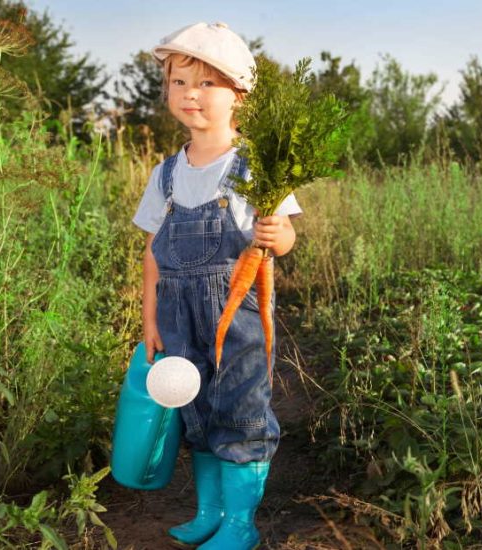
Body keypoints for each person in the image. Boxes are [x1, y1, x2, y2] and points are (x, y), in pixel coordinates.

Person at [131, 21, 301, 550]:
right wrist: (151, 320)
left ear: (239, 94)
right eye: (178, 83)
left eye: (205, 83)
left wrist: (278, 235)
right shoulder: (165, 174)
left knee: (240, 410)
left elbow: (287, 233)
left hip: (238, 312)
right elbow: (153, 251)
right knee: (196, 412)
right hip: (178, 316)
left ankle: (239, 524)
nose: (189, 95)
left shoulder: (256, 167)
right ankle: (209, 512)